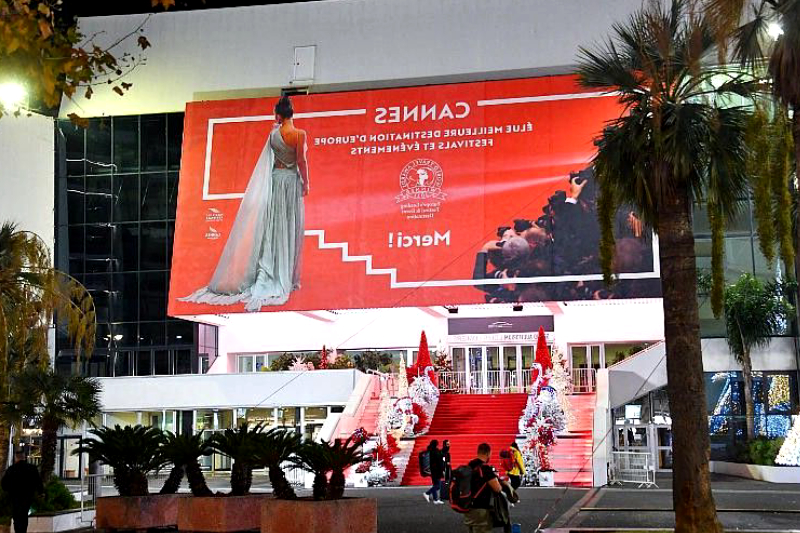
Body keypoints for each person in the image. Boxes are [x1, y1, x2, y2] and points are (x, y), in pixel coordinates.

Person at [180, 94, 310, 310]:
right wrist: (306, 183)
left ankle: (272, 269)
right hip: (290, 182)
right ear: (292, 114)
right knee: (288, 225)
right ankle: (284, 273)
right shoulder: (299, 134)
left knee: (274, 225)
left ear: (278, 114)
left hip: (276, 181)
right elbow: (301, 161)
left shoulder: (273, 135)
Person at [464, 443, 504, 533]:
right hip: (480, 508)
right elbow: (497, 488)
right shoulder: (486, 469)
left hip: (468, 507)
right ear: (488, 453)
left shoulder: (470, 465)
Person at [2, 451, 44, 533]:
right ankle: (23, 530)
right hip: (27, 496)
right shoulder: (32, 468)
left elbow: (4, 483)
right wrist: (40, 492)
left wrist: (8, 491)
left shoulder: (11, 469)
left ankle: (18, 530)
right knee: (24, 515)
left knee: (16, 515)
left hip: (15, 496)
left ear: (16, 458)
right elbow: (38, 481)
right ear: (24, 457)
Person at [423, 440, 445, 504]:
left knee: (435, 484)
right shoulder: (435, 451)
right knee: (438, 486)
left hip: (432, 470)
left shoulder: (430, 450)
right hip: (437, 470)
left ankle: (435, 499)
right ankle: (427, 493)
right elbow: (439, 462)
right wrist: (442, 470)